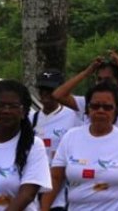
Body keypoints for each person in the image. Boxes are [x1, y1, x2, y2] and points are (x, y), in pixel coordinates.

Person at [43, 81, 118, 210]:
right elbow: (55, 178)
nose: (100, 111)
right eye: (95, 106)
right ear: (87, 109)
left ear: (116, 110)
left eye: (107, 107)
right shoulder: (71, 137)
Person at [0, 80, 52, 210]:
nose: (6, 111)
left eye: (12, 106)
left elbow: (27, 195)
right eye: (0, 105)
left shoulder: (33, 145)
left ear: (23, 111)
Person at [51, 51, 118, 133]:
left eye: (108, 79)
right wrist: (86, 72)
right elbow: (58, 95)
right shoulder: (88, 103)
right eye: (99, 79)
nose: (103, 83)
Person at [30, 70, 80, 211]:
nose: (46, 94)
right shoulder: (31, 119)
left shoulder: (73, 117)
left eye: (50, 90)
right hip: (36, 188)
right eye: (42, 90)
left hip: (61, 193)